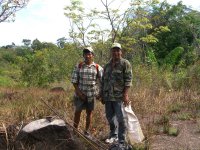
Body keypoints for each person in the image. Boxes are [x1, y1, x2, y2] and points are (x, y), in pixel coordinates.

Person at [102, 42, 132, 145]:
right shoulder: (106, 66)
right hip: (108, 97)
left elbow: (128, 80)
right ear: (111, 52)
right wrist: (102, 95)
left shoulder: (125, 63)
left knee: (121, 119)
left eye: (117, 50)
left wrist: (126, 95)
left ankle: (121, 140)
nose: (116, 52)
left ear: (121, 52)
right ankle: (113, 135)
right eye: (114, 50)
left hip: (119, 97)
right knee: (110, 118)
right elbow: (103, 81)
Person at [71, 46, 103, 136]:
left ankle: (86, 131)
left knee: (89, 113)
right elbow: (74, 81)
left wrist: (100, 94)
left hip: (91, 95)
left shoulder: (97, 67)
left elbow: (102, 81)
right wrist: (79, 93)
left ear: (92, 55)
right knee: (77, 112)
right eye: (85, 54)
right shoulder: (79, 66)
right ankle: (74, 131)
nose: (87, 56)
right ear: (83, 55)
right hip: (80, 94)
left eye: (89, 54)